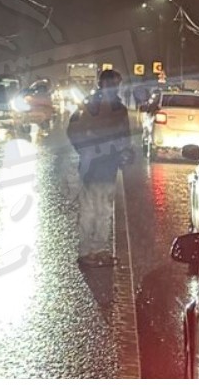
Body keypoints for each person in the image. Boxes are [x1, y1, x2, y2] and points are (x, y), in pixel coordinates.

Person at [66, 69, 133, 267]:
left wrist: (124, 153)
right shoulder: (90, 106)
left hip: (108, 166)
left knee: (104, 210)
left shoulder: (119, 109)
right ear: (102, 84)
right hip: (92, 165)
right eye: (111, 84)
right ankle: (86, 251)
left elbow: (125, 136)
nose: (114, 88)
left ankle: (99, 249)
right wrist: (86, 149)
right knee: (89, 210)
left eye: (116, 84)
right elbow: (73, 130)